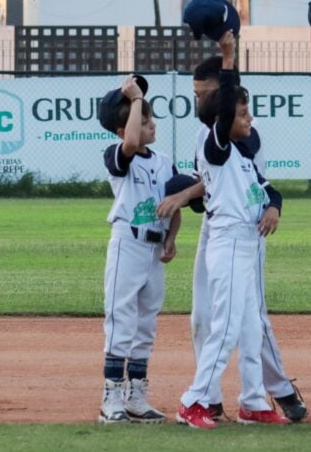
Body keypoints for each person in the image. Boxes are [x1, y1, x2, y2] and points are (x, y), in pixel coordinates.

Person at [158, 55, 306, 423]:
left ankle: (254, 402)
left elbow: (267, 189)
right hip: (228, 241)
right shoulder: (216, 147)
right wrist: (227, 58)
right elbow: (224, 115)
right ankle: (193, 401)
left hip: (248, 241)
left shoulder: (242, 155)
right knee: (224, 326)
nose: (249, 119)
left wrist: (274, 206)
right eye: (242, 114)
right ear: (223, 119)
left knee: (251, 326)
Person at [97, 74, 180, 424]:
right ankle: (111, 397)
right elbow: (131, 143)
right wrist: (133, 101)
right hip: (127, 244)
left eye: (149, 117)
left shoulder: (162, 161)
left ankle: (136, 396)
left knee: (146, 323)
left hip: (154, 249)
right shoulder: (116, 154)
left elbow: (174, 205)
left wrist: (172, 236)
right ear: (123, 129)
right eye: (143, 120)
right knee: (121, 319)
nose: (150, 124)